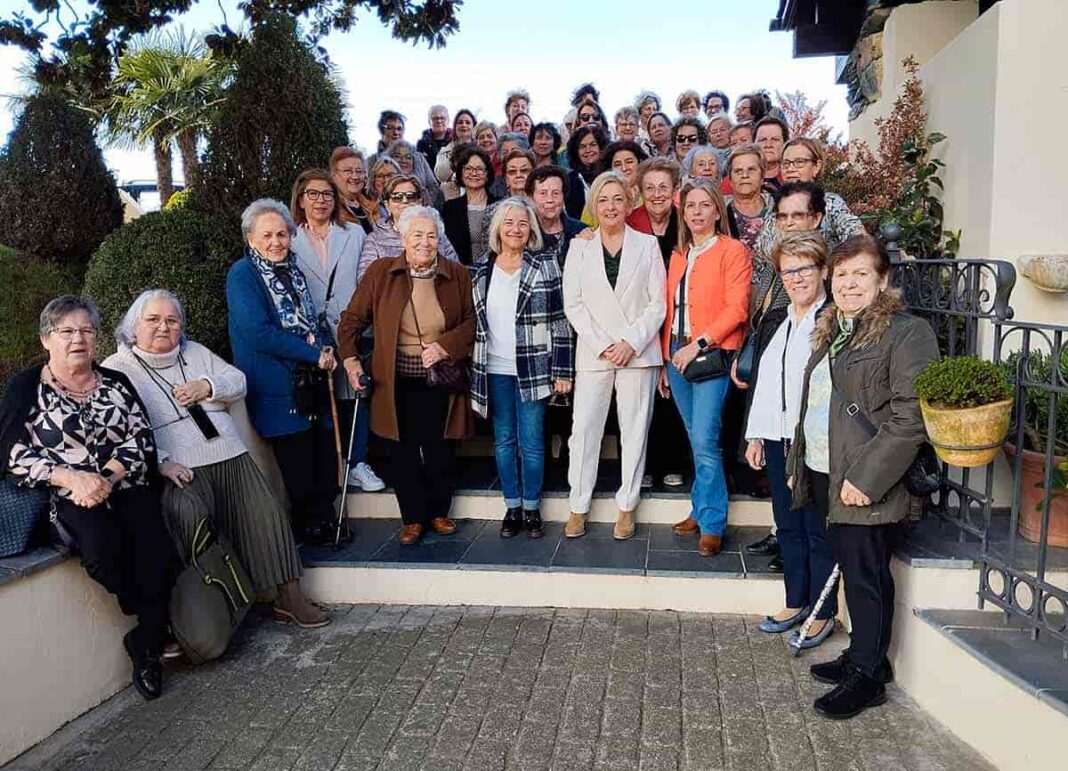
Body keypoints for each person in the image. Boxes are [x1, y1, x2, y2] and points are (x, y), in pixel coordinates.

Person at [104, 290, 328, 629]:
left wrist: (207, 387)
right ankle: (217, 606)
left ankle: (290, 597)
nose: (163, 327)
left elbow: (237, 380)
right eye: (152, 320)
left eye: (172, 320)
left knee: (265, 514)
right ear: (133, 326)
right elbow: (117, 428)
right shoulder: (117, 368)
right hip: (176, 466)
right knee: (187, 518)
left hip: (228, 451)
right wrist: (159, 460)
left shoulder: (194, 352)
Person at [790, 234, 939, 719]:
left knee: (867, 577)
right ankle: (862, 657)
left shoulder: (906, 332)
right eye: (841, 274)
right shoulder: (835, 329)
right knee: (854, 572)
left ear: (882, 280)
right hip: (825, 472)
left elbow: (910, 416)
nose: (848, 283)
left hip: (864, 480)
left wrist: (868, 478)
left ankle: (869, 678)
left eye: (860, 274)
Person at [1, 296, 178, 700]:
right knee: (101, 551)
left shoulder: (116, 381)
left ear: (96, 339)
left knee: (157, 551)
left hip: (126, 485)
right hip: (66, 496)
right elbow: (12, 455)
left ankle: (145, 647)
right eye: (66, 331)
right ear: (47, 339)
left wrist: (107, 478)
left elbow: (141, 438)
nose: (77, 339)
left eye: (86, 331)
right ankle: (148, 617)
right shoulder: (26, 388)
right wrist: (71, 478)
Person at [337, 206, 476, 546]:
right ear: (402, 237)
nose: (425, 242)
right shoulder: (382, 273)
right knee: (402, 450)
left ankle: (439, 512)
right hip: (395, 379)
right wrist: (351, 360)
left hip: (440, 376)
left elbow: (473, 322)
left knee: (441, 446)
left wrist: (445, 346)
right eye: (417, 235)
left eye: (431, 235)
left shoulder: (457, 273)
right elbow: (352, 318)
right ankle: (412, 518)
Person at [738, 234, 833, 646]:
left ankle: (821, 611)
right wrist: (756, 434)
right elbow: (764, 382)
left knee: (815, 528)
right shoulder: (779, 319)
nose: (795, 278)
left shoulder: (832, 319)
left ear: (823, 270)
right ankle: (795, 601)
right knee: (788, 525)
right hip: (776, 438)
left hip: (812, 442)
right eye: (788, 270)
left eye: (803, 269)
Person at [226, 199, 339, 545]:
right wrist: (311, 353)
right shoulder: (243, 275)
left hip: (310, 382)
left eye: (282, 234)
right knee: (299, 467)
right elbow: (256, 331)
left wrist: (324, 346)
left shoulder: (293, 270)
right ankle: (309, 535)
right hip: (277, 387)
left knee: (322, 460)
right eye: (267, 235)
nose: (276, 241)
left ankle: (326, 523)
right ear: (250, 238)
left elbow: (309, 319)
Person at [562, 171, 666, 541]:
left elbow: (658, 304)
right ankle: (578, 505)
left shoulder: (648, 245)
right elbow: (572, 303)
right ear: (594, 205)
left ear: (629, 203)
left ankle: (627, 505)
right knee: (584, 429)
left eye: (617, 199)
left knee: (634, 430)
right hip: (595, 352)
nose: (610, 206)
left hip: (637, 354)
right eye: (603, 200)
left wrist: (630, 342)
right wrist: (604, 343)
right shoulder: (580, 246)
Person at [469, 197, 574, 538]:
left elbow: (560, 320)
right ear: (498, 227)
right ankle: (511, 506)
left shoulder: (545, 264)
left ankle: (531, 508)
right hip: (494, 368)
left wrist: (562, 370)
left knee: (531, 442)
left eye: (523, 223)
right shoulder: (481, 268)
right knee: (504, 440)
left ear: (531, 230)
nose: (516, 229)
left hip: (533, 366)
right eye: (509, 222)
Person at [660, 179, 751, 556]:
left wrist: (697, 343)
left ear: (717, 210)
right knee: (693, 436)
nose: (697, 212)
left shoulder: (733, 251)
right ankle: (700, 508)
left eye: (705, 205)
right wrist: (667, 359)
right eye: (691, 205)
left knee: (705, 440)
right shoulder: (679, 254)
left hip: (709, 356)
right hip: (675, 356)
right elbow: (668, 308)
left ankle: (712, 522)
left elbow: (737, 309)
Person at [288, 169, 385, 494]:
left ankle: (358, 462)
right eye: (313, 194)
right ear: (301, 200)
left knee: (354, 392)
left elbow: (363, 279)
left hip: (348, 326)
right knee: (321, 397)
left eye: (327, 194)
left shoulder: (354, 233)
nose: (320, 201)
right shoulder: (288, 238)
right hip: (309, 332)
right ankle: (333, 461)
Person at [626, 158, 690, 489]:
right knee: (643, 399)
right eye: (649, 187)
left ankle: (674, 463)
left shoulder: (686, 223)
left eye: (663, 187)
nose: (656, 194)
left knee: (673, 397)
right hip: (641, 319)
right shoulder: (630, 222)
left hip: (680, 318)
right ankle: (646, 465)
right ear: (639, 191)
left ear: (675, 191)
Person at [755, 138, 865, 257]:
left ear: (816, 166)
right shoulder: (774, 206)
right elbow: (761, 254)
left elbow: (859, 239)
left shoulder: (830, 203)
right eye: (786, 163)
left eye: (799, 162)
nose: (791, 169)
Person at [360, 174, 460, 282]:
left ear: (419, 201)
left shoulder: (436, 233)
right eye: (397, 197)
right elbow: (365, 280)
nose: (404, 201)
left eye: (410, 196)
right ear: (387, 204)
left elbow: (455, 272)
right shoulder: (375, 239)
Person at [442, 145, 501, 264]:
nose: (473, 173)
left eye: (479, 169)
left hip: (495, 272)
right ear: (461, 173)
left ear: (487, 174)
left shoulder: (500, 205)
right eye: (468, 169)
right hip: (461, 274)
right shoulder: (450, 209)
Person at [479, 149, 536, 251]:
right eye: (512, 172)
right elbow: (488, 250)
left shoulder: (544, 209)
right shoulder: (492, 212)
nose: (518, 175)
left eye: (524, 171)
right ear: (506, 178)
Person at [527, 165, 585, 266]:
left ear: (564, 197)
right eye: (543, 193)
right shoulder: (524, 233)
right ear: (531, 198)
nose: (550, 200)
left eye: (556, 193)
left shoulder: (581, 231)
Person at [725, 144, 773, 255]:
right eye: (738, 171)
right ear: (730, 179)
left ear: (762, 176)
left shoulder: (779, 209)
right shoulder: (717, 212)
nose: (745, 175)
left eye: (751, 170)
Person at [564, 124, 608, 220]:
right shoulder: (570, 180)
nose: (588, 150)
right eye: (582, 146)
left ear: (601, 148)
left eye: (593, 145)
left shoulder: (610, 174)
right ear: (576, 152)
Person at [330, 146, 377, 235]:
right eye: (348, 171)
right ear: (334, 176)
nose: (355, 177)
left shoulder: (373, 208)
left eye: (359, 171)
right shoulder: (330, 209)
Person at [383, 139, 441, 206]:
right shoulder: (387, 177)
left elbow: (433, 186)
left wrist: (428, 203)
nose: (403, 160)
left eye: (408, 157)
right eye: (398, 156)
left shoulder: (419, 163)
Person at [434, 108, 477, 200]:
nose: (464, 125)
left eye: (467, 122)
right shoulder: (445, 150)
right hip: (451, 196)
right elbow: (441, 175)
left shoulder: (481, 148)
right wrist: (457, 153)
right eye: (460, 122)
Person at [605, 140, 648, 210]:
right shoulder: (600, 195)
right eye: (617, 164)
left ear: (640, 162)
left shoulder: (651, 192)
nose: (624, 168)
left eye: (629, 162)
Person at [488, 132, 531, 198]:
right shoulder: (494, 186)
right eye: (505, 152)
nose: (509, 155)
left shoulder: (536, 179)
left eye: (514, 150)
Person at [754, 116, 789, 192]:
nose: (768, 145)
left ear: (785, 144)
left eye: (775, 139)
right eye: (762, 140)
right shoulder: (735, 179)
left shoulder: (794, 179)